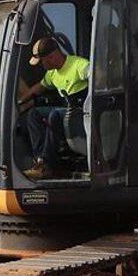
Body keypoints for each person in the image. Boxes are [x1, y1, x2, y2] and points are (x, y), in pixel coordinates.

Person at [17, 37, 91, 180]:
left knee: (55, 115)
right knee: (34, 114)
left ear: (52, 56)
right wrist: (19, 102)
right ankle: (40, 161)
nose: (41, 65)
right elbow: (38, 88)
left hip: (82, 113)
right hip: (66, 112)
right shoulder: (52, 74)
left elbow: (97, 75)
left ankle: (47, 164)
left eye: (42, 61)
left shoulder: (78, 65)